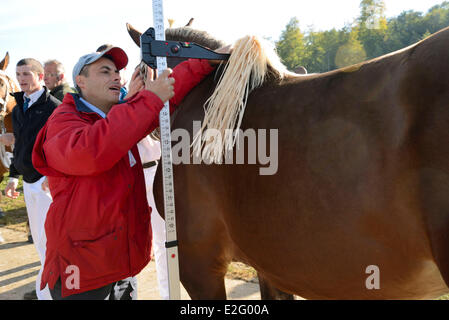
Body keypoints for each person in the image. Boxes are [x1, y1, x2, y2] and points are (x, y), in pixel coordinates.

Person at [31, 45, 224, 299]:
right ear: (81, 82)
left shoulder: (115, 115)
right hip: (81, 272)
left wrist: (206, 62)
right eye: (104, 71)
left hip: (118, 266)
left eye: (117, 72)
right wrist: (149, 99)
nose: (116, 77)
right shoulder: (64, 120)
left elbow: (167, 97)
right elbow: (91, 152)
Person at [5, 58, 61, 300]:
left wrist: (54, 174)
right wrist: (13, 179)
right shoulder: (18, 109)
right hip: (28, 183)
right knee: (39, 240)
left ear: (41, 77)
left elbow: (61, 145)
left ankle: (55, 290)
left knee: (53, 241)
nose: (21, 78)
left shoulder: (55, 108)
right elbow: (20, 147)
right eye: (18, 74)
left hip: (47, 182)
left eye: (27, 73)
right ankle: (46, 292)